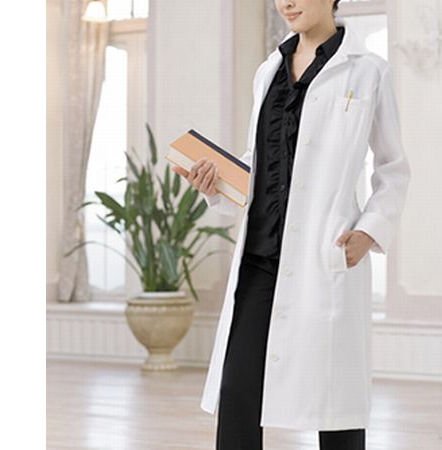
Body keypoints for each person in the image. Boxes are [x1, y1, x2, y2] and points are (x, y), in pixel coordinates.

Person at [173, 1, 411, 449]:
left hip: (324, 255)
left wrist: (369, 231)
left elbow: (393, 168)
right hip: (260, 257)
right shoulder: (268, 71)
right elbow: (260, 162)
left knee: (336, 406)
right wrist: (214, 182)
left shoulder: (368, 72)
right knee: (237, 394)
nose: (286, 2)